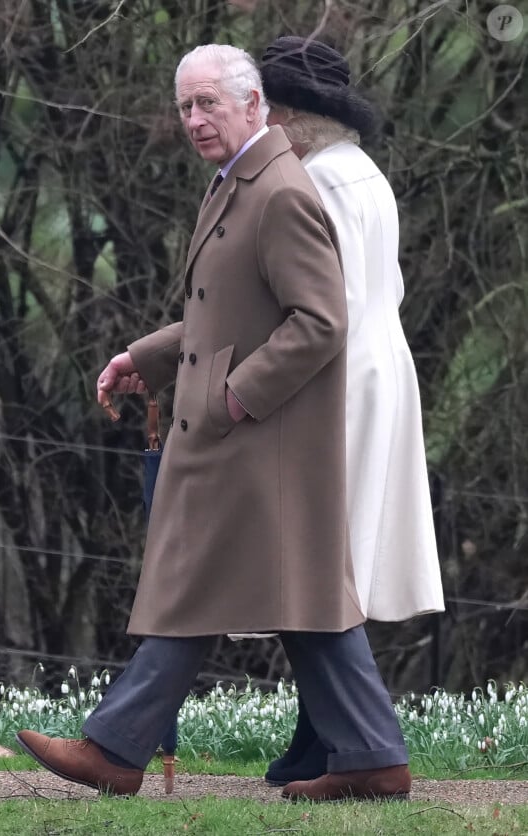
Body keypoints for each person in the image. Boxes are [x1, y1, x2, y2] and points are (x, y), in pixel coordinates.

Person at [16, 43, 412, 803]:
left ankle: (114, 750)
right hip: (238, 436)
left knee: (200, 584)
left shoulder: (282, 192)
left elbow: (321, 322)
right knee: (304, 599)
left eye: (210, 104)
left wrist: (235, 397)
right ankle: (369, 757)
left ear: (255, 103)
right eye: (186, 107)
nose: (196, 120)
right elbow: (226, 311)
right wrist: (146, 357)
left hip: (258, 439)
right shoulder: (240, 180)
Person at [257, 36, 444, 788]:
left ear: (295, 115)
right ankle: (325, 741)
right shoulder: (358, 172)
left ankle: (356, 746)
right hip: (377, 370)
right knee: (334, 563)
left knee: (319, 564)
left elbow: (322, 308)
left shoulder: (317, 185)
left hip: (338, 382)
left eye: (267, 105)